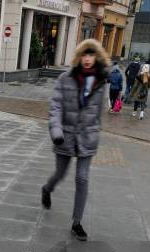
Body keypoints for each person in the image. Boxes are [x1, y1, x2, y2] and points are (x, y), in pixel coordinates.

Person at [42, 39, 110, 241]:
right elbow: (55, 106)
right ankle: (47, 188)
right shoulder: (65, 78)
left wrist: (96, 131)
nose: (87, 59)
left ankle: (77, 222)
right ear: (79, 57)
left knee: (82, 178)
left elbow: (99, 112)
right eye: (84, 55)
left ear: (96, 57)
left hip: (87, 137)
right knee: (60, 174)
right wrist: (56, 130)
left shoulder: (100, 81)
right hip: (64, 136)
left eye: (91, 55)